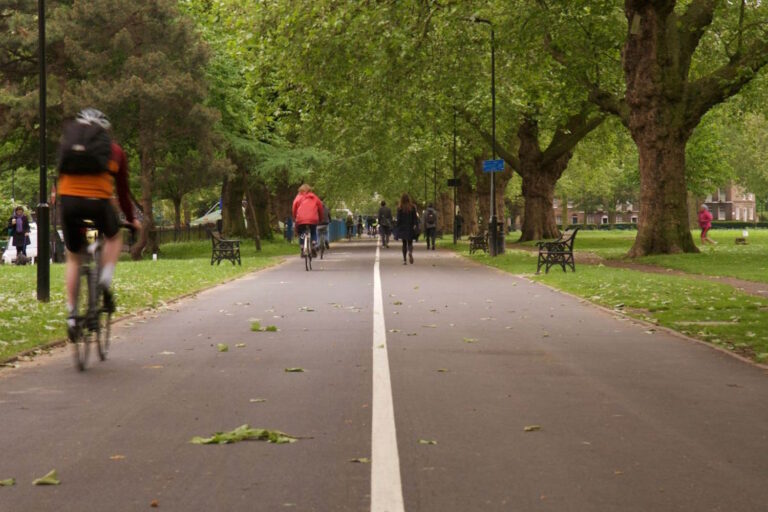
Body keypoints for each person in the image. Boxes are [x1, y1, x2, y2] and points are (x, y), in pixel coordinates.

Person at [58, 108, 140, 339]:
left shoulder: (68, 144)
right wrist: (132, 220)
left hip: (70, 203)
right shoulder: (115, 151)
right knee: (114, 236)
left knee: (73, 257)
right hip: (98, 205)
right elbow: (123, 193)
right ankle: (104, 279)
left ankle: (72, 315)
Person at [291, 183, 324, 256]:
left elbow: (294, 208)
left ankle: (302, 248)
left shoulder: (298, 197)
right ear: (310, 190)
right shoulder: (314, 197)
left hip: (301, 220)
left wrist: (294, 218)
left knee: (302, 233)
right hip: (313, 219)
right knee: (313, 231)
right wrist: (321, 219)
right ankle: (314, 243)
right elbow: (320, 208)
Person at [395, 193, 419, 265]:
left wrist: (397, 227)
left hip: (403, 228)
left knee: (404, 243)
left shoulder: (400, 208)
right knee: (410, 242)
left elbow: (398, 219)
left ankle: (404, 260)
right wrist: (415, 225)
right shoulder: (412, 207)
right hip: (410, 227)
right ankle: (410, 252)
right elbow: (415, 218)